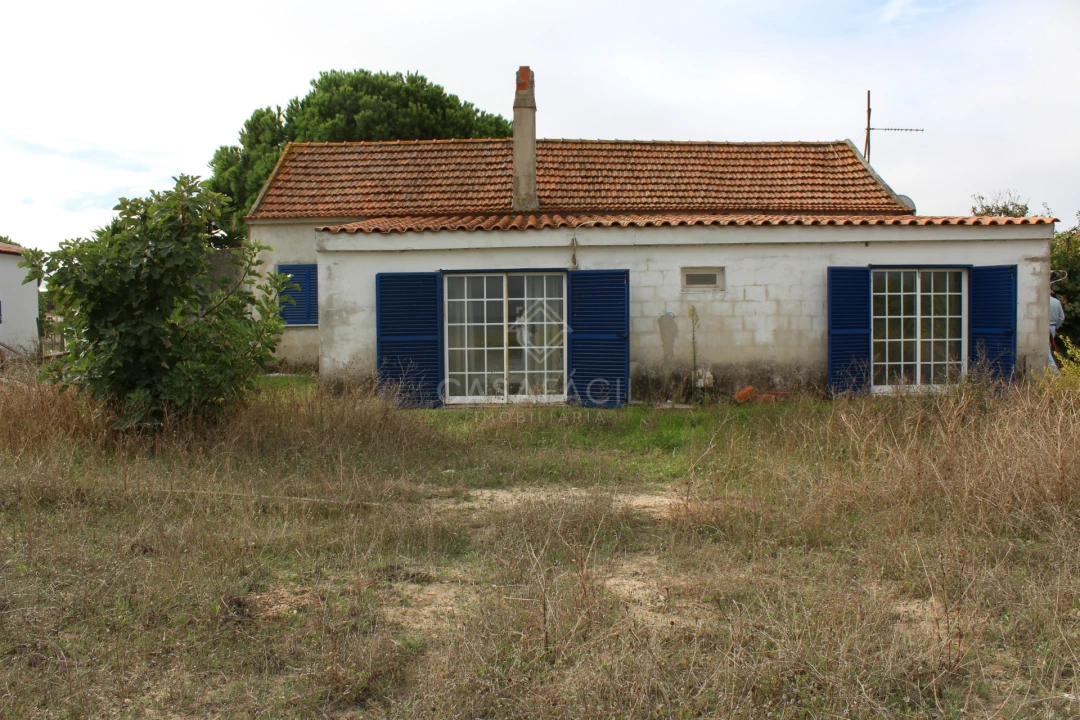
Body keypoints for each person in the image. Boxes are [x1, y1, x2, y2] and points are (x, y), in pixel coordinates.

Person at [1049, 290, 1065, 370]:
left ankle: (1054, 372)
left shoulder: (1040, 302)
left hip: (1042, 328)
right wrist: (1056, 327)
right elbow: (1061, 317)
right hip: (1052, 327)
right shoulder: (1056, 302)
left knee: (1046, 351)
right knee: (1049, 349)